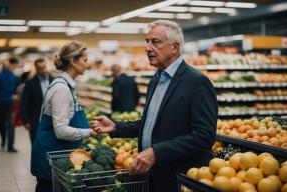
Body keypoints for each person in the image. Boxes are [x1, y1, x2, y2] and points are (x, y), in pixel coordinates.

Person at [91, 20, 218, 192]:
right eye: (147, 41)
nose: (148, 48)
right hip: (154, 177)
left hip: (180, 178)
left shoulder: (197, 82)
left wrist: (157, 152)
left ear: (174, 46)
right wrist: (116, 127)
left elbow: (204, 136)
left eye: (155, 42)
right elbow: (149, 124)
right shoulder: (156, 81)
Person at [31, 41, 98, 192]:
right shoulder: (62, 89)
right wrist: (89, 132)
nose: (87, 64)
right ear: (73, 61)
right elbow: (60, 130)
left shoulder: (65, 85)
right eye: (85, 60)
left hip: (57, 153)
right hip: (50, 155)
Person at [21, 58, 53, 144]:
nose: (43, 70)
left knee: (50, 146)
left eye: (44, 67)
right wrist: (26, 121)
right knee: (36, 146)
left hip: (52, 121)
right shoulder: (30, 83)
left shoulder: (54, 81)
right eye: (40, 68)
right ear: (36, 68)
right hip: (35, 121)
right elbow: (24, 102)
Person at [0, 58, 19, 152]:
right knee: (11, 124)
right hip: (10, 103)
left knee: (1, 122)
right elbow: (16, 92)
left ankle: (3, 140)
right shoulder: (14, 77)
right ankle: (10, 146)